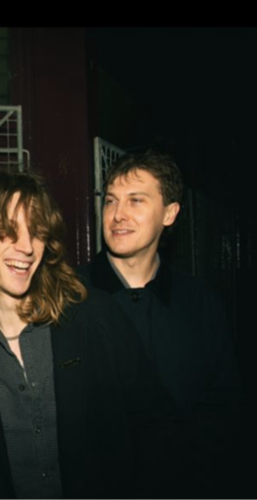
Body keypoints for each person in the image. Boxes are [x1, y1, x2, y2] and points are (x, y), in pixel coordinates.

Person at [0, 169, 185, 499]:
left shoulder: (94, 316)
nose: (26, 247)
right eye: (8, 231)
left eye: (36, 232)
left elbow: (157, 425)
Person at [77, 150, 242, 497]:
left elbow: (220, 408)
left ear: (170, 213)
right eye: (111, 201)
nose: (118, 215)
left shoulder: (200, 301)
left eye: (136, 200)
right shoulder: (69, 297)